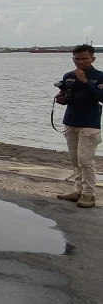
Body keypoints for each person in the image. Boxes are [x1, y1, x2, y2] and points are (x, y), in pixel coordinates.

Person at [55, 44, 103, 208]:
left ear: (93, 59)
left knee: (86, 160)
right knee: (74, 159)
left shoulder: (99, 76)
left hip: (89, 123)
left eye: (85, 58)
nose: (81, 62)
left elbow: (100, 96)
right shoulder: (69, 76)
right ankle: (78, 191)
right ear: (73, 59)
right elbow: (67, 97)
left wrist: (85, 81)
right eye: (77, 59)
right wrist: (61, 97)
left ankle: (89, 195)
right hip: (71, 121)